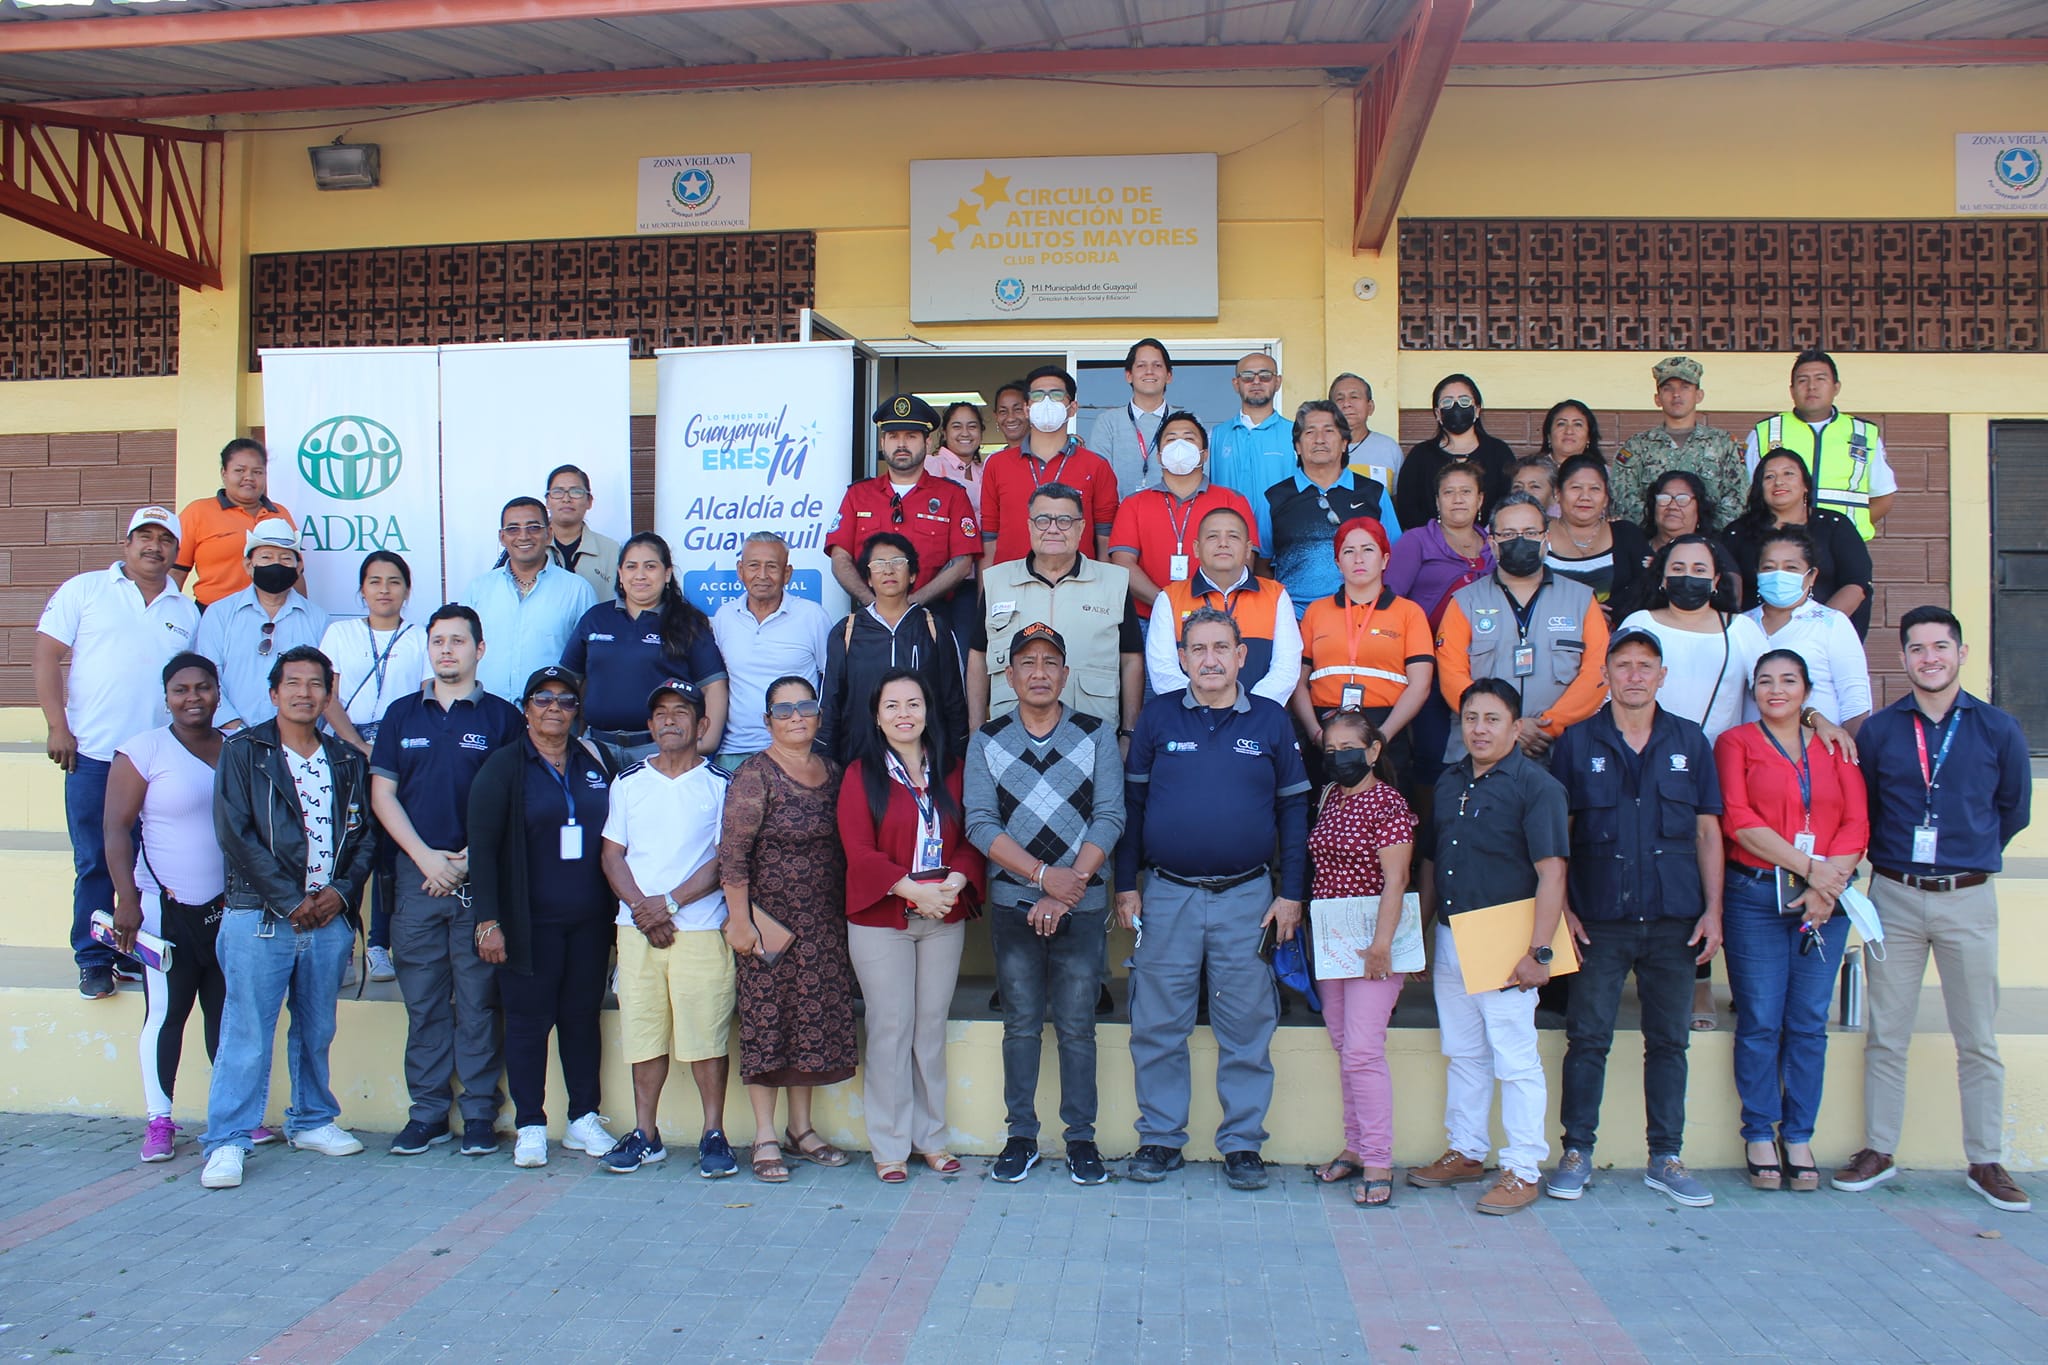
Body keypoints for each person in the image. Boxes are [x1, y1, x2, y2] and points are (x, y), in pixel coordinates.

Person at [1835, 607, 2033, 1212]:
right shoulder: (1880, 732)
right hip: (1894, 896)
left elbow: (2014, 810)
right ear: (1903, 659)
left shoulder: (1998, 728)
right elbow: (1866, 808)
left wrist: (1968, 856)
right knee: (1886, 1035)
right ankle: (1879, 1149)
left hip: (1967, 898)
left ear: (1961, 653)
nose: (1930, 658)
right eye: (1917, 649)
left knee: (1977, 1037)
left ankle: (1985, 1158)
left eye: (1940, 647)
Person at [1116, 608, 1310, 1192]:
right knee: (1157, 1024)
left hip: (1248, 897)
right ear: (1181, 659)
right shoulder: (1157, 718)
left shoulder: (1271, 720)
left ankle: (1244, 1145)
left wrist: (1291, 894)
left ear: (1241, 655)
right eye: (1197, 649)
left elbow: (1294, 812)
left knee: (1247, 1026)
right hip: (1167, 894)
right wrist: (1126, 884)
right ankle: (1160, 1138)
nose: (1210, 660)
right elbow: (1132, 808)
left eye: (1221, 647)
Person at [1542, 629, 1723, 1207]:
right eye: (1623, 665)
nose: (1635, 675)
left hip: (1674, 919)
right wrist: (1563, 910)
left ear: (1662, 675)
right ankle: (1577, 1152)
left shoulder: (1690, 741)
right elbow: (1559, 837)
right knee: (1587, 1039)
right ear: (1606, 675)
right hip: (1599, 919)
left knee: (1669, 1042)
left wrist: (1714, 910)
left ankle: (1666, 1157)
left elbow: (1707, 832)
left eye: (1646, 666)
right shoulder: (1576, 743)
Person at [200, 646, 376, 1190]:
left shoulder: (346, 759)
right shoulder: (244, 751)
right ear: (274, 692)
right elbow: (234, 833)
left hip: (327, 920)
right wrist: (289, 899)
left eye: (316, 684)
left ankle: (312, 1120)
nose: (305, 693)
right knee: (247, 1033)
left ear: (329, 694)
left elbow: (364, 838)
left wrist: (340, 893)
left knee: (317, 1028)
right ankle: (227, 1141)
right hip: (260, 917)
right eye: (293, 683)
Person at [965, 624, 1126, 1186]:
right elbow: (980, 824)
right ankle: (1021, 1137)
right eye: (1027, 663)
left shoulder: (1096, 734)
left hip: (1081, 903)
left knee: (1079, 1026)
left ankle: (1081, 1139)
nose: (1039, 672)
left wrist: (1068, 885)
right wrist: (1041, 878)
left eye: (1050, 662)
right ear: (1009, 676)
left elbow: (1110, 815)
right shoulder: (986, 740)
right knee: (1021, 1026)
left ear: (1065, 673)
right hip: (1014, 903)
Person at [1405, 679, 1568, 1217]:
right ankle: (1467, 1150)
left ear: (1516, 727)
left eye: (1492, 719)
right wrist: (1422, 934)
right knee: (1465, 1053)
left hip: (1507, 938)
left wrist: (1539, 952)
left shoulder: (1537, 787)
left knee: (1515, 1060)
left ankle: (1522, 1169)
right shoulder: (1450, 781)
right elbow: (1431, 862)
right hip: (1453, 934)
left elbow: (1552, 874)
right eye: (1471, 718)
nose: (1479, 729)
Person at [368, 604, 525, 1159]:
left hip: (478, 882)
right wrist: (426, 859)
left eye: (458, 641)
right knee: (425, 1003)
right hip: (416, 882)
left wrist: (467, 860)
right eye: (438, 641)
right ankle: (428, 1113)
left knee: (479, 1002)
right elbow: (383, 795)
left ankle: (480, 1113)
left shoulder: (503, 718)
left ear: (479, 650)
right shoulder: (401, 715)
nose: (446, 650)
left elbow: (513, 800)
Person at [1713, 649, 1868, 1193]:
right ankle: (1759, 1132)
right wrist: (1812, 871)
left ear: (1806, 690)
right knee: (1760, 1019)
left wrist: (1828, 886)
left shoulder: (1835, 745)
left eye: (1788, 680)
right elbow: (1738, 820)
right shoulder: (1735, 743)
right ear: (1752, 690)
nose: (1776, 689)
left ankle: (1798, 1135)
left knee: (1807, 1022)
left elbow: (1857, 822)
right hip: (1756, 895)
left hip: (1827, 901)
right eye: (1765, 681)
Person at [33, 505, 199, 999]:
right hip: (92, 754)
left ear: (176, 551)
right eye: (144, 537)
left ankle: (132, 950)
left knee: (151, 863)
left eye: (165, 540)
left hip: (156, 762)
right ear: (126, 544)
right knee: (95, 860)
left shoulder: (185, 611)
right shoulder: (85, 589)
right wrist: (57, 726)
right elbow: (45, 655)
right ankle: (93, 957)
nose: (154, 547)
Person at [837, 669, 985, 1183]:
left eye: (914, 704)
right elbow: (858, 851)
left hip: (943, 912)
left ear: (927, 712)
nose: (904, 714)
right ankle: (890, 1145)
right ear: (877, 718)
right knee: (891, 1028)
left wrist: (954, 883)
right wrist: (912, 890)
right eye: (892, 706)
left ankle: (932, 1139)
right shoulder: (860, 775)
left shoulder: (954, 770)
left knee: (930, 1030)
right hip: (884, 917)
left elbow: (972, 836)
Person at [467, 666, 618, 1168]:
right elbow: (483, 850)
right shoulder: (503, 766)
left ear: (578, 711)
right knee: (528, 1024)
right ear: (526, 708)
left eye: (566, 700)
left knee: (581, 1020)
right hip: (527, 924)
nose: (555, 708)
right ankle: (530, 1123)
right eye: (543, 699)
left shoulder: (594, 761)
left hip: (589, 921)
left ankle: (583, 1118)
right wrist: (488, 921)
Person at [718, 676, 858, 1182]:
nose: (796, 716)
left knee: (808, 1029)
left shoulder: (835, 772)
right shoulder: (755, 774)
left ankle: (802, 1130)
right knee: (767, 1026)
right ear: (767, 721)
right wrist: (740, 922)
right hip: (768, 928)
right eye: (784, 709)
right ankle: (765, 1136)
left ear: (819, 715)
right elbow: (732, 854)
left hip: (823, 925)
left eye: (805, 706)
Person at [599, 679, 740, 1179]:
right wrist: (643, 910)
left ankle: (713, 1134)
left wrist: (670, 904)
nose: (669, 720)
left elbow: (725, 859)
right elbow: (612, 854)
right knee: (644, 1034)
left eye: (681, 711)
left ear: (703, 725)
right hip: (636, 929)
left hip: (700, 928)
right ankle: (646, 1135)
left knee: (706, 1036)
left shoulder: (721, 784)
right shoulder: (628, 781)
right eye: (660, 713)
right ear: (649, 724)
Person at [104, 654, 229, 1162]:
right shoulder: (143, 750)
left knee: (225, 1014)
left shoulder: (237, 749)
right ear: (167, 697)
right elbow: (116, 829)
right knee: (167, 1013)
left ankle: (232, 1116)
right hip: (162, 908)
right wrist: (126, 900)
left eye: (203, 687)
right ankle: (159, 1121)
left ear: (218, 691)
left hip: (227, 909)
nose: (193, 697)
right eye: (181, 689)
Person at [1306, 714, 1416, 1209]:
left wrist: (1381, 946)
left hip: (1374, 945)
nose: (1339, 758)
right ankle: (1354, 1147)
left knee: (1364, 1053)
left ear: (1373, 752)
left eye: (1349, 748)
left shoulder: (1389, 803)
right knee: (1345, 1047)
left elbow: (1397, 879)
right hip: (1333, 943)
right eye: (1331, 750)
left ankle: (1377, 1161)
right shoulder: (1330, 797)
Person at [319, 550, 430, 984]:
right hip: (346, 750)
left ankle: (379, 946)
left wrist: (384, 752)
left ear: (407, 590)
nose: (385, 590)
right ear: (362, 589)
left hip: (399, 752)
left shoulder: (420, 637)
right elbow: (327, 697)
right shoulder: (340, 633)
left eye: (394, 581)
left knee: (387, 852)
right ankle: (342, 945)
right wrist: (359, 746)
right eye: (375, 581)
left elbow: (425, 697)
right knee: (344, 849)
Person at [1434, 494, 1611, 764]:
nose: (1520, 541)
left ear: (1546, 538)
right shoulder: (1465, 602)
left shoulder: (1581, 600)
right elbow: (1452, 677)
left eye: (1530, 532)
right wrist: (1507, 728)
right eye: (1508, 534)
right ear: (1492, 544)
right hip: (1480, 755)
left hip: (1561, 751)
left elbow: (1596, 673)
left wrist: (1549, 725)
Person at [970, 483, 1145, 731]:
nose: (1053, 529)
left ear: (1081, 527)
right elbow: (978, 657)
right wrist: (976, 731)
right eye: (1042, 520)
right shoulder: (997, 581)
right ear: (1030, 526)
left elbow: (1131, 660)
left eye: (1064, 521)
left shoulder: (1114, 581)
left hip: (1093, 733)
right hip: (1010, 736)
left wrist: (1129, 732)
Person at [563, 531, 727, 760]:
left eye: (650, 566)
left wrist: (707, 742)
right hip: (597, 748)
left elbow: (713, 686)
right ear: (620, 574)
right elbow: (568, 682)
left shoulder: (688, 623)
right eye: (631, 567)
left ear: (667, 574)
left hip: (660, 750)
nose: (640, 575)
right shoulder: (595, 618)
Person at [1292, 517, 1435, 780]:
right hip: (1327, 729)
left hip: (1386, 728)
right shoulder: (1316, 612)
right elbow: (1298, 681)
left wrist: (1382, 737)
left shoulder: (1409, 613)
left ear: (1385, 560)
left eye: (1368, 549)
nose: (1358, 559)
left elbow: (1421, 684)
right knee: (1327, 803)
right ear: (1338, 562)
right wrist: (1316, 734)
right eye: (1348, 551)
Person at [826, 394, 979, 620]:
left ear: (927, 443)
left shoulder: (952, 496)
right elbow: (840, 558)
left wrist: (910, 605)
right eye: (893, 436)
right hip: (871, 616)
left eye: (911, 436)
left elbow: (963, 563)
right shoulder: (858, 495)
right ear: (882, 443)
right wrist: (875, 606)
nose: (901, 445)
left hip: (933, 615)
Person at [820, 532, 969, 760]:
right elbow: (831, 705)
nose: (888, 570)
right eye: (878, 564)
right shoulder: (846, 631)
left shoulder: (934, 627)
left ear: (912, 574)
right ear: (868, 578)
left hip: (926, 764)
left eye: (898, 562)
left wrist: (958, 762)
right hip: (862, 761)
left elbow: (954, 702)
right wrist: (827, 764)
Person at [1108, 410, 1259, 620]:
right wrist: (1166, 604)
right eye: (1171, 439)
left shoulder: (1233, 501)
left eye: (1189, 439)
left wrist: (1206, 610)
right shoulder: (1133, 504)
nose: (1180, 446)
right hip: (1149, 618)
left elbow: (1244, 562)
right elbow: (1123, 564)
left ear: (1204, 454)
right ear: (1159, 456)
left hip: (1217, 619)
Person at [1618, 536, 1768, 745]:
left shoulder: (1741, 629)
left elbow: (1769, 689)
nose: (1688, 576)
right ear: (1663, 578)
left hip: (1719, 756)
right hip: (1643, 753)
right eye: (1678, 569)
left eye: (1699, 570)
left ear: (1715, 580)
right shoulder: (1640, 623)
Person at [1145, 506, 1299, 707]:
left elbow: (1286, 669)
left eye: (1233, 536)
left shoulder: (1275, 595)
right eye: (1213, 537)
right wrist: (1204, 709)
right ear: (1196, 548)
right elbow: (1163, 671)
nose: (1223, 543)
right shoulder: (1169, 598)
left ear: (1248, 549)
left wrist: (1250, 709)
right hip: (1189, 716)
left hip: (1259, 716)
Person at [1259, 400, 1400, 618]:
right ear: (1297, 446)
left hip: (1363, 616)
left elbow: (1395, 556)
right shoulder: (1274, 498)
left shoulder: (1373, 493)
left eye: (1329, 431)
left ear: (1344, 442)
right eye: (1310, 432)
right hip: (1296, 619)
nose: (1319, 439)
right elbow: (1261, 565)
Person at [1744, 348, 1896, 539]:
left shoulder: (1864, 433)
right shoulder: (1765, 431)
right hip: (1780, 543)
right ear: (1791, 390)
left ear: (1836, 387)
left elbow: (1883, 497)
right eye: (1803, 380)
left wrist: (1848, 532)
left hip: (1843, 544)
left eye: (1820, 379)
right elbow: (1747, 493)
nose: (1811, 387)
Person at [710, 532, 831, 770]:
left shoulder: (812, 616)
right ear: (740, 570)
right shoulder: (724, 616)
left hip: (797, 751)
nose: (762, 575)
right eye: (753, 565)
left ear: (787, 573)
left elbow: (831, 682)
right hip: (736, 751)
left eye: (772, 566)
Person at [194, 519, 329, 731]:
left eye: (286, 558)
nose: (276, 564)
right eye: (266, 557)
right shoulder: (219, 613)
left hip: (300, 739)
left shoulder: (318, 619)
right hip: (230, 738)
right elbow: (207, 676)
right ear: (249, 566)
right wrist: (236, 730)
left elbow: (326, 682)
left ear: (299, 567)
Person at [1724, 449, 1875, 638]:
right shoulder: (1738, 532)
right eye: (1769, 476)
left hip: (1822, 637)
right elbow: (1727, 591)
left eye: (1788, 473)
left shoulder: (1835, 526)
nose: (1779, 482)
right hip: (1755, 636)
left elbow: (1856, 584)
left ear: (1805, 484)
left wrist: (1815, 630)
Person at [978, 366, 1119, 568]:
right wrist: (986, 588)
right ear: (1027, 409)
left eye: (1056, 395)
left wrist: (1103, 586)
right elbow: (989, 537)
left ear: (1072, 408)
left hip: (1078, 581)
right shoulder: (997, 464)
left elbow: (1105, 539)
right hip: (1012, 581)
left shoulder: (1096, 466)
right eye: (1037, 395)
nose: (1046, 402)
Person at [460, 497, 597, 701]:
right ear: (502, 537)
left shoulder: (577, 590)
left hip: (551, 712)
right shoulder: (478, 589)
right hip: (487, 711)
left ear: (549, 533)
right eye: (513, 529)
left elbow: (591, 661)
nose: (524, 536)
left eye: (533, 527)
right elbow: (462, 651)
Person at [1740, 528, 1872, 729]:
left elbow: (1855, 700)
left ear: (1811, 576)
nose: (1779, 575)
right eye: (1769, 567)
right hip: (1750, 745)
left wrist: (1849, 746)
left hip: (1820, 743)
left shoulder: (1831, 623)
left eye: (1791, 567)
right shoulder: (1740, 625)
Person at [1610, 357, 1748, 529]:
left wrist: (1703, 530)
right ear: (1657, 399)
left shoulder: (1723, 444)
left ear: (1699, 395)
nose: (1676, 394)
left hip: (1710, 540)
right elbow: (1622, 499)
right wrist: (1663, 527)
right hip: (1652, 540)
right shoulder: (1637, 446)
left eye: (1685, 387)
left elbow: (1738, 497)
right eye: (1668, 388)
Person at [173, 438, 296, 608]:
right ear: (224, 473)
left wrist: (302, 614)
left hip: (272, 614)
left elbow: (296, 573)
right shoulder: (197, 512)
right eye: (240, 470)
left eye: (257, 472)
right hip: (212, 612)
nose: (249, 477)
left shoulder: (280, 513)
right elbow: (176, 573)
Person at [1394, 374, 1515, 533]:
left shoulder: (1499, 452)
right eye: (1447, 402)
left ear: (1477, 410)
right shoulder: (1420, 455)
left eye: (1464, 401)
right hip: (1431, 543)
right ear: (1438, 413)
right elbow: (1407, 508)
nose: (1456, 406)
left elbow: (1510, 501)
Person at [1385, 462, 1495, 629]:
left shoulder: (1494, 545)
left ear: (1480, 499)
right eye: (1448, 492)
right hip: (1425, 641)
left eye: (1466, 491)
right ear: (1438, 501)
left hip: (1487, 641)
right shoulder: (1416, 540)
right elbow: (1391, 599)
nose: (1458, 500)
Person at [1543, 453, 1650, 618]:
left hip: (1615, 629)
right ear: (1558, 493)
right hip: (1551, 627)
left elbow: (1645, 587)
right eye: (1576, 488)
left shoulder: (1626, 534)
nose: (1585, 497)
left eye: (1595, 489)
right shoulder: (1538, 535)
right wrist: (1585, 612)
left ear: (1606, 498)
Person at [1086, 338, 1174, 496]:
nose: (1149, 371)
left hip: (1173, 510)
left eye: (1157, 365)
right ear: (1129, 375)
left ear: (1169, 376)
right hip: (1119, 510)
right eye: (1141, 365)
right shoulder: (1107, 422)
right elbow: (1098, 479)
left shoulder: (1186, 423)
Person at [1208, 352, 1295, 506]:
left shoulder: (1296, 434)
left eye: (1265, 376)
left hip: (1281, 523)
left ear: (1277, 382)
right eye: (1247, 376)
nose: (1256, 381)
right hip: (1227, 522)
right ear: (1236, 384)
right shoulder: (1215, 436)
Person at [542, 463, 621, 601]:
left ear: (589, 501)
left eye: (576, 492)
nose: (566, 499)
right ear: (547, 502)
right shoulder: (532, 546)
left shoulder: (612, 550)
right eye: (558, 492)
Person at [1329, 372, 1404, 489]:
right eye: (1340, 398)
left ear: (1370, 407)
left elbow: (1398, 496)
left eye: (1354, 397)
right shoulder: (1319, 447)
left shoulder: (1388, 448)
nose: (1346, 404)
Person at [1640, 468, 1713, 564]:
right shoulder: (1633, 548)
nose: (1672, 506)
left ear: (1699, 508)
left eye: (1682, 499)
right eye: (1664, 498)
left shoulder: (1713, 555)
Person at [925, 401, 988, 514]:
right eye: (957, 427)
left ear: (981, 432)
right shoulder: (929, 465)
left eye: (972, 426)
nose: (965, 433)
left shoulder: (986, 471)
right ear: (944, 433)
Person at [1536, 399, 1604, 465]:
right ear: (1549, 435)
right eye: (1561, 424)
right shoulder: (1534, 469)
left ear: (1588, 437)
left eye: (1577, 424)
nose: (1569, 431)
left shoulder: (1601, 471)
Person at [990, 379, 1030, 452]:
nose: (1010, 419)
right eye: (1003, 411)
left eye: (1017, 409)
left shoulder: (1045, 454)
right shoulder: (994, 457)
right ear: (996, 416)